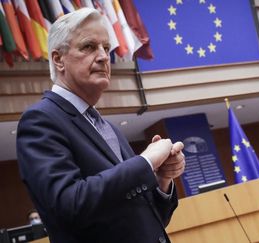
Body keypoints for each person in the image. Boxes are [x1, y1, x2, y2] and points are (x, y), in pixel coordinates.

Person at [16, 8, 185, 243]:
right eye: (89, 47)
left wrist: (161, 180)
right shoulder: (40, 120)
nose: (104, 56)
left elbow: (150, 220)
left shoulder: (108, 128)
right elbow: (69, 205)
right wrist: (145, 162)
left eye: (106, 48)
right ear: (58, 59)